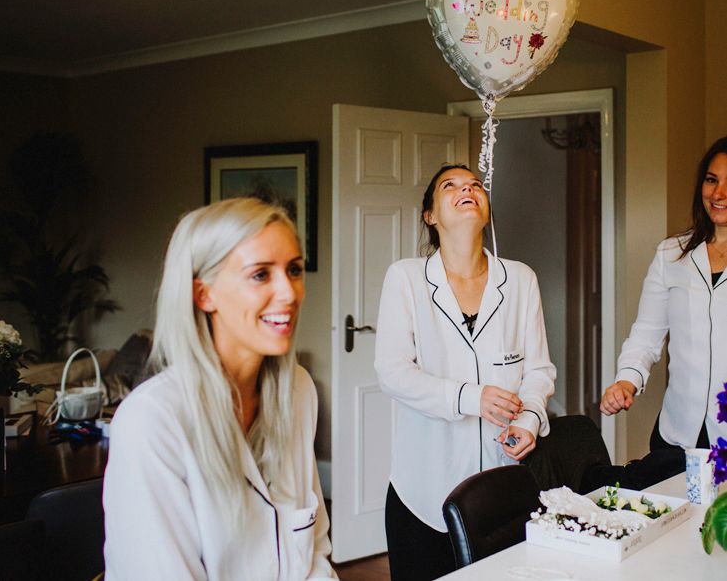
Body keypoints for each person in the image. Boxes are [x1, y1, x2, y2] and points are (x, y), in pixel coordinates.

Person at [103, 197, 336, 580]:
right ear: (203, 294)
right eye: (260, 274)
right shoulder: (152, 422)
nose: (290, 293)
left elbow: (314, 555)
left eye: (294, 270)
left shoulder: (298, 390)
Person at [375, 164, 556, 581]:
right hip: (422, 491)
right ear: (430, 215)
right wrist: (470, 397)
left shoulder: (521, 279)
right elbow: (392, 371)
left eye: (475, 184)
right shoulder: (406, 279)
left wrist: (529, 419)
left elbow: (539, 370)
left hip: (503, 490)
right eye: (450, 186)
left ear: (487, 210)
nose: (467, 189)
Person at [601, 136, 727, 459]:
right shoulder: (671, 254)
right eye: (712, 180)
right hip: (678, 434)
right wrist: (626, 382)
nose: (719, 194)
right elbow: (646, 336)